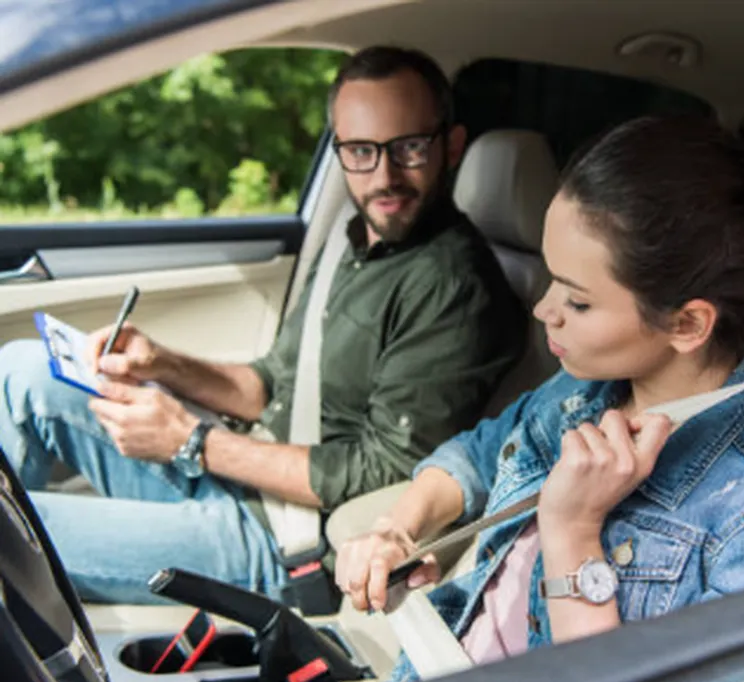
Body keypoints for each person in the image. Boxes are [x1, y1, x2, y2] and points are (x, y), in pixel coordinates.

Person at [333, 115, 744, 682]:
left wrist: (573, 534)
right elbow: (476, 455)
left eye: (578, 302)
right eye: (552, 280)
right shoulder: (581, 393)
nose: (544, 310)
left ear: (687, 323)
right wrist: (400, 528)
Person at [0, 46, 526, 604]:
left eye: (409, 149)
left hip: (283, 543)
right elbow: (272, 383)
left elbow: (385, 468)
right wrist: (163, 364)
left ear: (452, 146)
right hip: (244, 473)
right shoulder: (354, 236)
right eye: (361, 152)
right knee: (20, 366)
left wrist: (192, 441)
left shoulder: (457, 287)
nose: (384, 176)